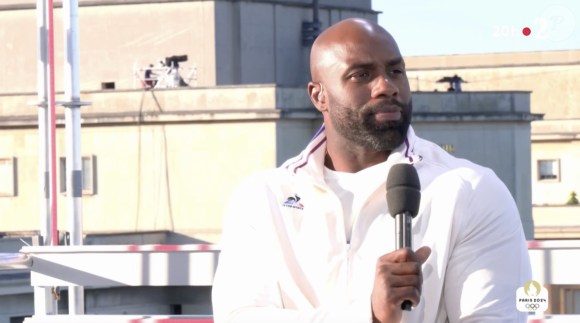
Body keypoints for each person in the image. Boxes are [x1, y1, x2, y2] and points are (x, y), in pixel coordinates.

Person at [212, 18, 532, 323]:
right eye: (361, 75)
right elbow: (239, 316)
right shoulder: (263, 197)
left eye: (396, 71)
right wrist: (369, 313)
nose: (386, 87)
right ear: (318, 95)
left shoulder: (470, 190)